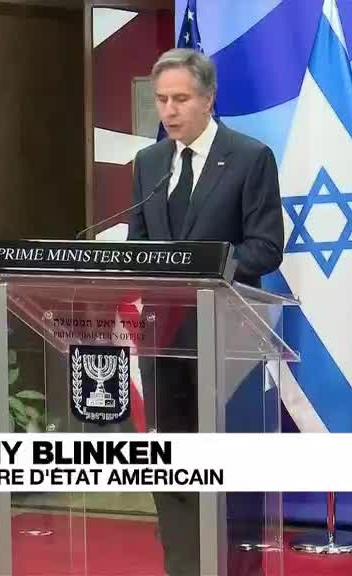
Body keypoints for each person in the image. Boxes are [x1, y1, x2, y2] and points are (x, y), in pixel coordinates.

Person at [127, 47, 283, 576]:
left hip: (225, 338)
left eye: (180, 99)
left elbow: (266, 247)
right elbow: (139, 246)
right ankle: (183, 566)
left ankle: (234, 568)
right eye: (161, 100)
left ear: (209, 99)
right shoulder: (150, 163)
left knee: (224, 468)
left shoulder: (250, 157)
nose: (168, 111)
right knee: (170, 464)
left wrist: (209, 267)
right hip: (163, 339)